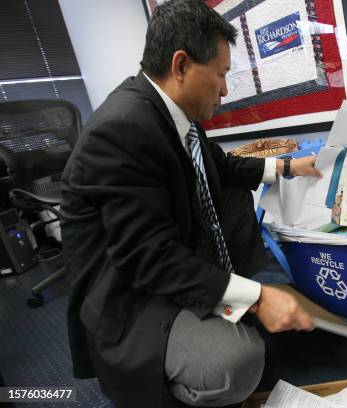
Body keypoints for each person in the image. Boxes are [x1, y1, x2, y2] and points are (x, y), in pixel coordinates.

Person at [60, 1, 322, 407]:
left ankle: (223, 299)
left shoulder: (174, 115)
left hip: (162, 258)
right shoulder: (123, 130)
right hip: (131, 296)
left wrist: (289, 166)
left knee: (232, 195)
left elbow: (221, 167)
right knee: (238, 362)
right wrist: (256, 297)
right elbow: (148, 257)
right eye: (219, 74)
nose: (224, 89)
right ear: (181, 66)